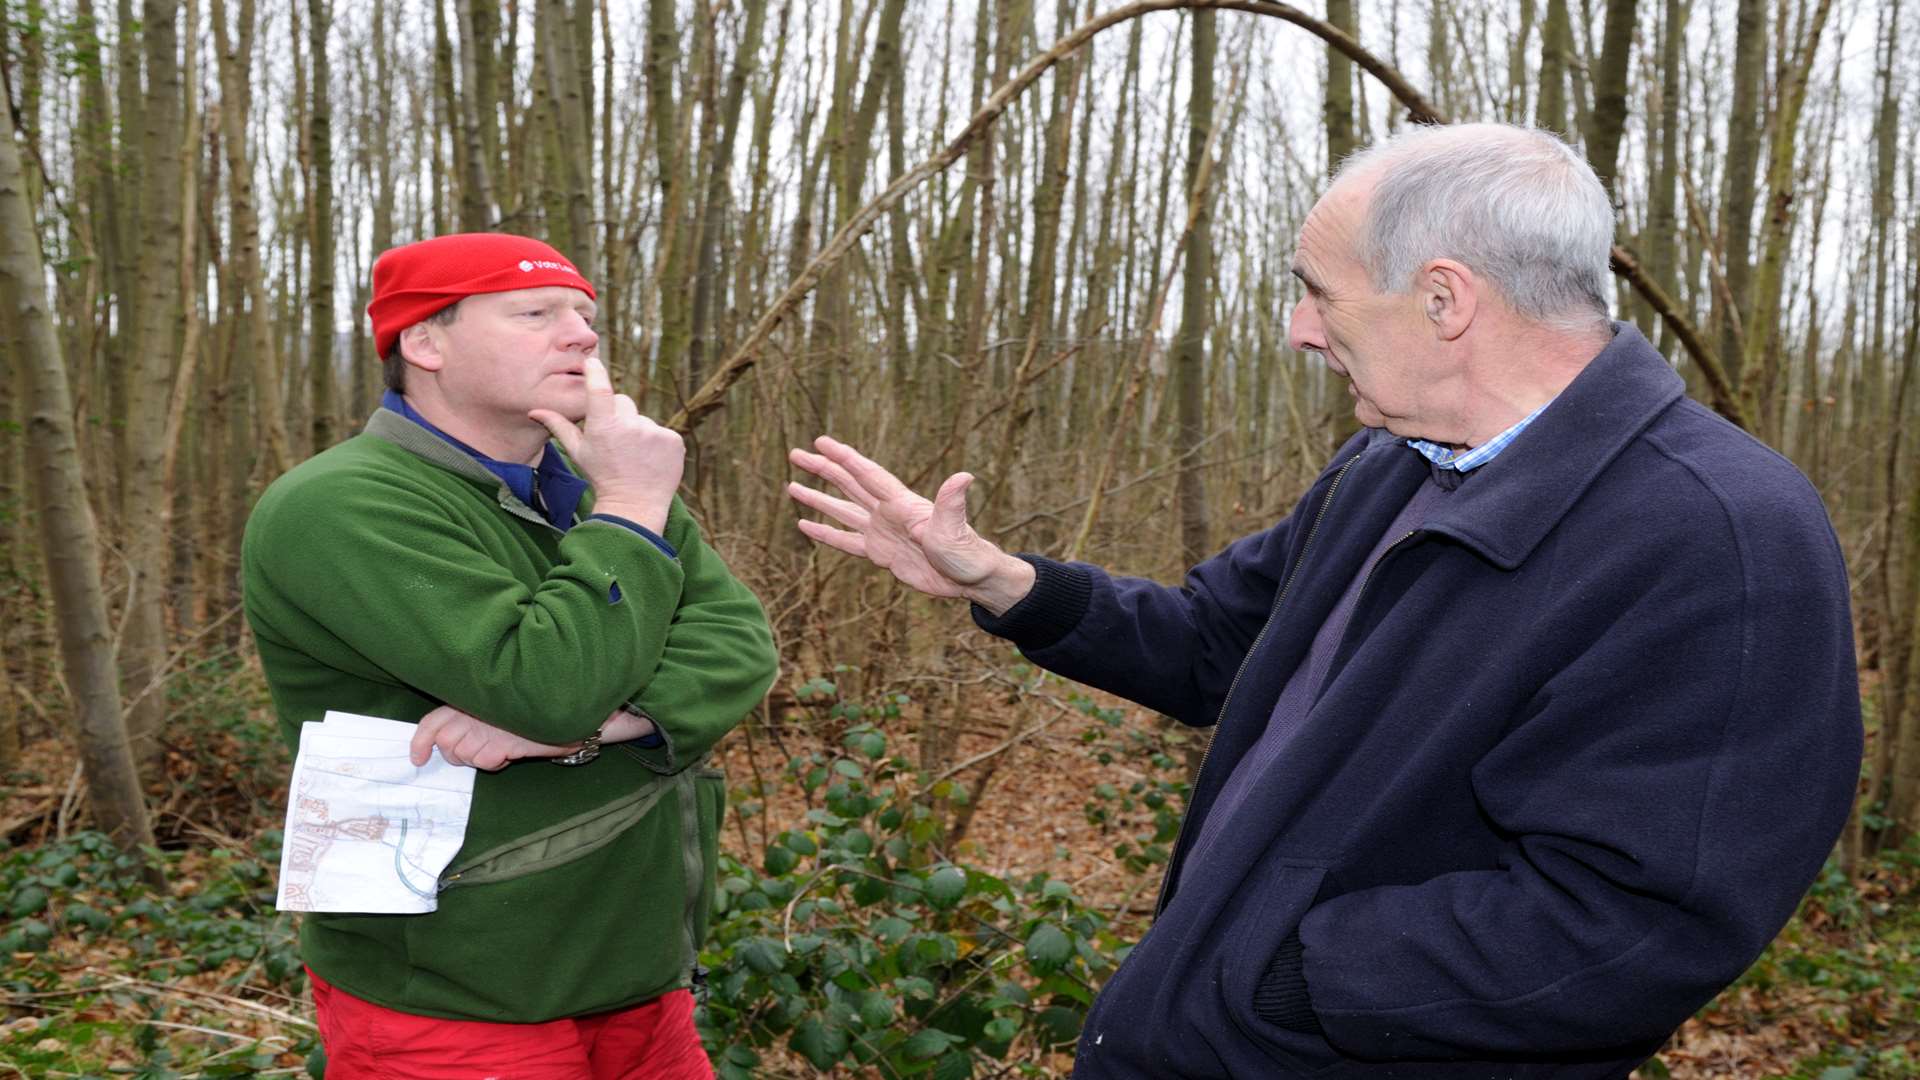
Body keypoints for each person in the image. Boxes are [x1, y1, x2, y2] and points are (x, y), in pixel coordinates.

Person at [786, 123, 1862, 1078]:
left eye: (1320, 290)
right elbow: (1216, 645)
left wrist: (1277, 975)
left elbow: (1633, 924)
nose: (1301, 329)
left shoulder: (1719, 535)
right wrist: (1004, 583)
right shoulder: (1392, 467)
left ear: (1445, 299)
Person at [243, 232, 777, 1079]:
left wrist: (616, 720)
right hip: (453, 989)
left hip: (634, 972)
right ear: (424, 344)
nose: (583, 336)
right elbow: (542, 685)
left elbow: (741, 643)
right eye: (536, 314)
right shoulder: (339, 503)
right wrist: (635, 505)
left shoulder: (595, 487)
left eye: (583, 316)